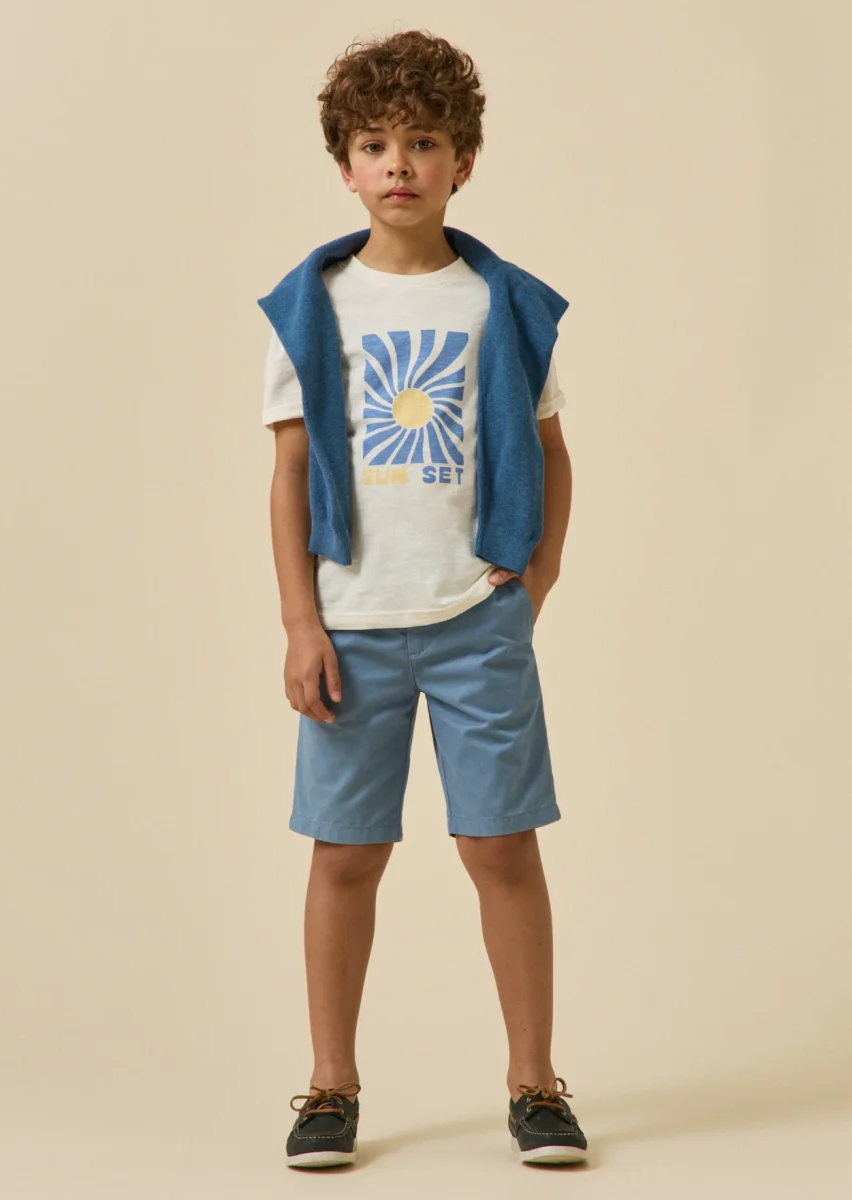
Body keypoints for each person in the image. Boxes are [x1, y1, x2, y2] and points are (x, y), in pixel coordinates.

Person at [257, 28, 589, 1170]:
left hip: (473, 620)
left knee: (501, 845)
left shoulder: (503, 305)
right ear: (344, 166)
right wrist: (299, 622)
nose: (398, 163)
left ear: (463, 161)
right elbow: (289, 473)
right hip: (350, 626)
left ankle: (535, 1082)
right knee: (344, 854)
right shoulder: (313, 309)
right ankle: (329, 1086)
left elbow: (551, 451)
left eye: (424, 142)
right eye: (373, 144)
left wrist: (534, 579)